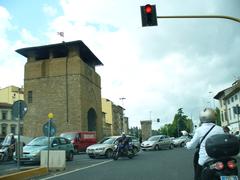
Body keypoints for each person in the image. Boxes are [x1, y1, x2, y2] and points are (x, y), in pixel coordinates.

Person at [186, 108, 225, 180]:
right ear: (213, 117)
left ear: (202, 118)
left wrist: (187, 144)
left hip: (206, 161)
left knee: (198, 177)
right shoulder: (220, 129)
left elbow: (191, 146)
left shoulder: (199, 130)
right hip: (220, 160)